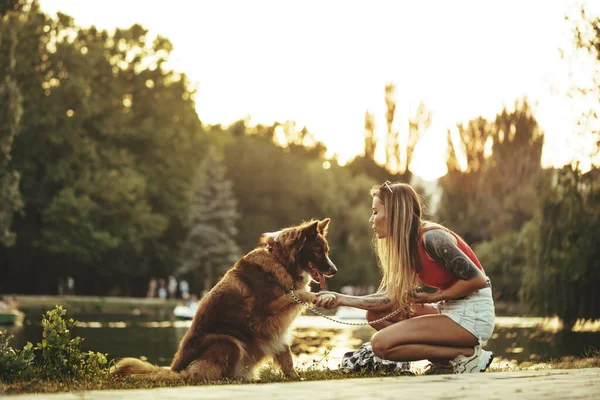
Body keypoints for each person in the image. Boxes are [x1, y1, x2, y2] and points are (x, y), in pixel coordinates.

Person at [314, 181, 495, 374]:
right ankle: (452, 361)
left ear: (394, 213)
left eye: (375, 212)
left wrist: (432, 298)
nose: (371, 220)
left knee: (381, 344)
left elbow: (478, 280)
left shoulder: (432, 238)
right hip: (449, 310)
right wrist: (340, 299)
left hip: (473, 316)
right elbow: (388, 299)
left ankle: (466, 356)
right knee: (375, 316)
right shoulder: (408, 246)